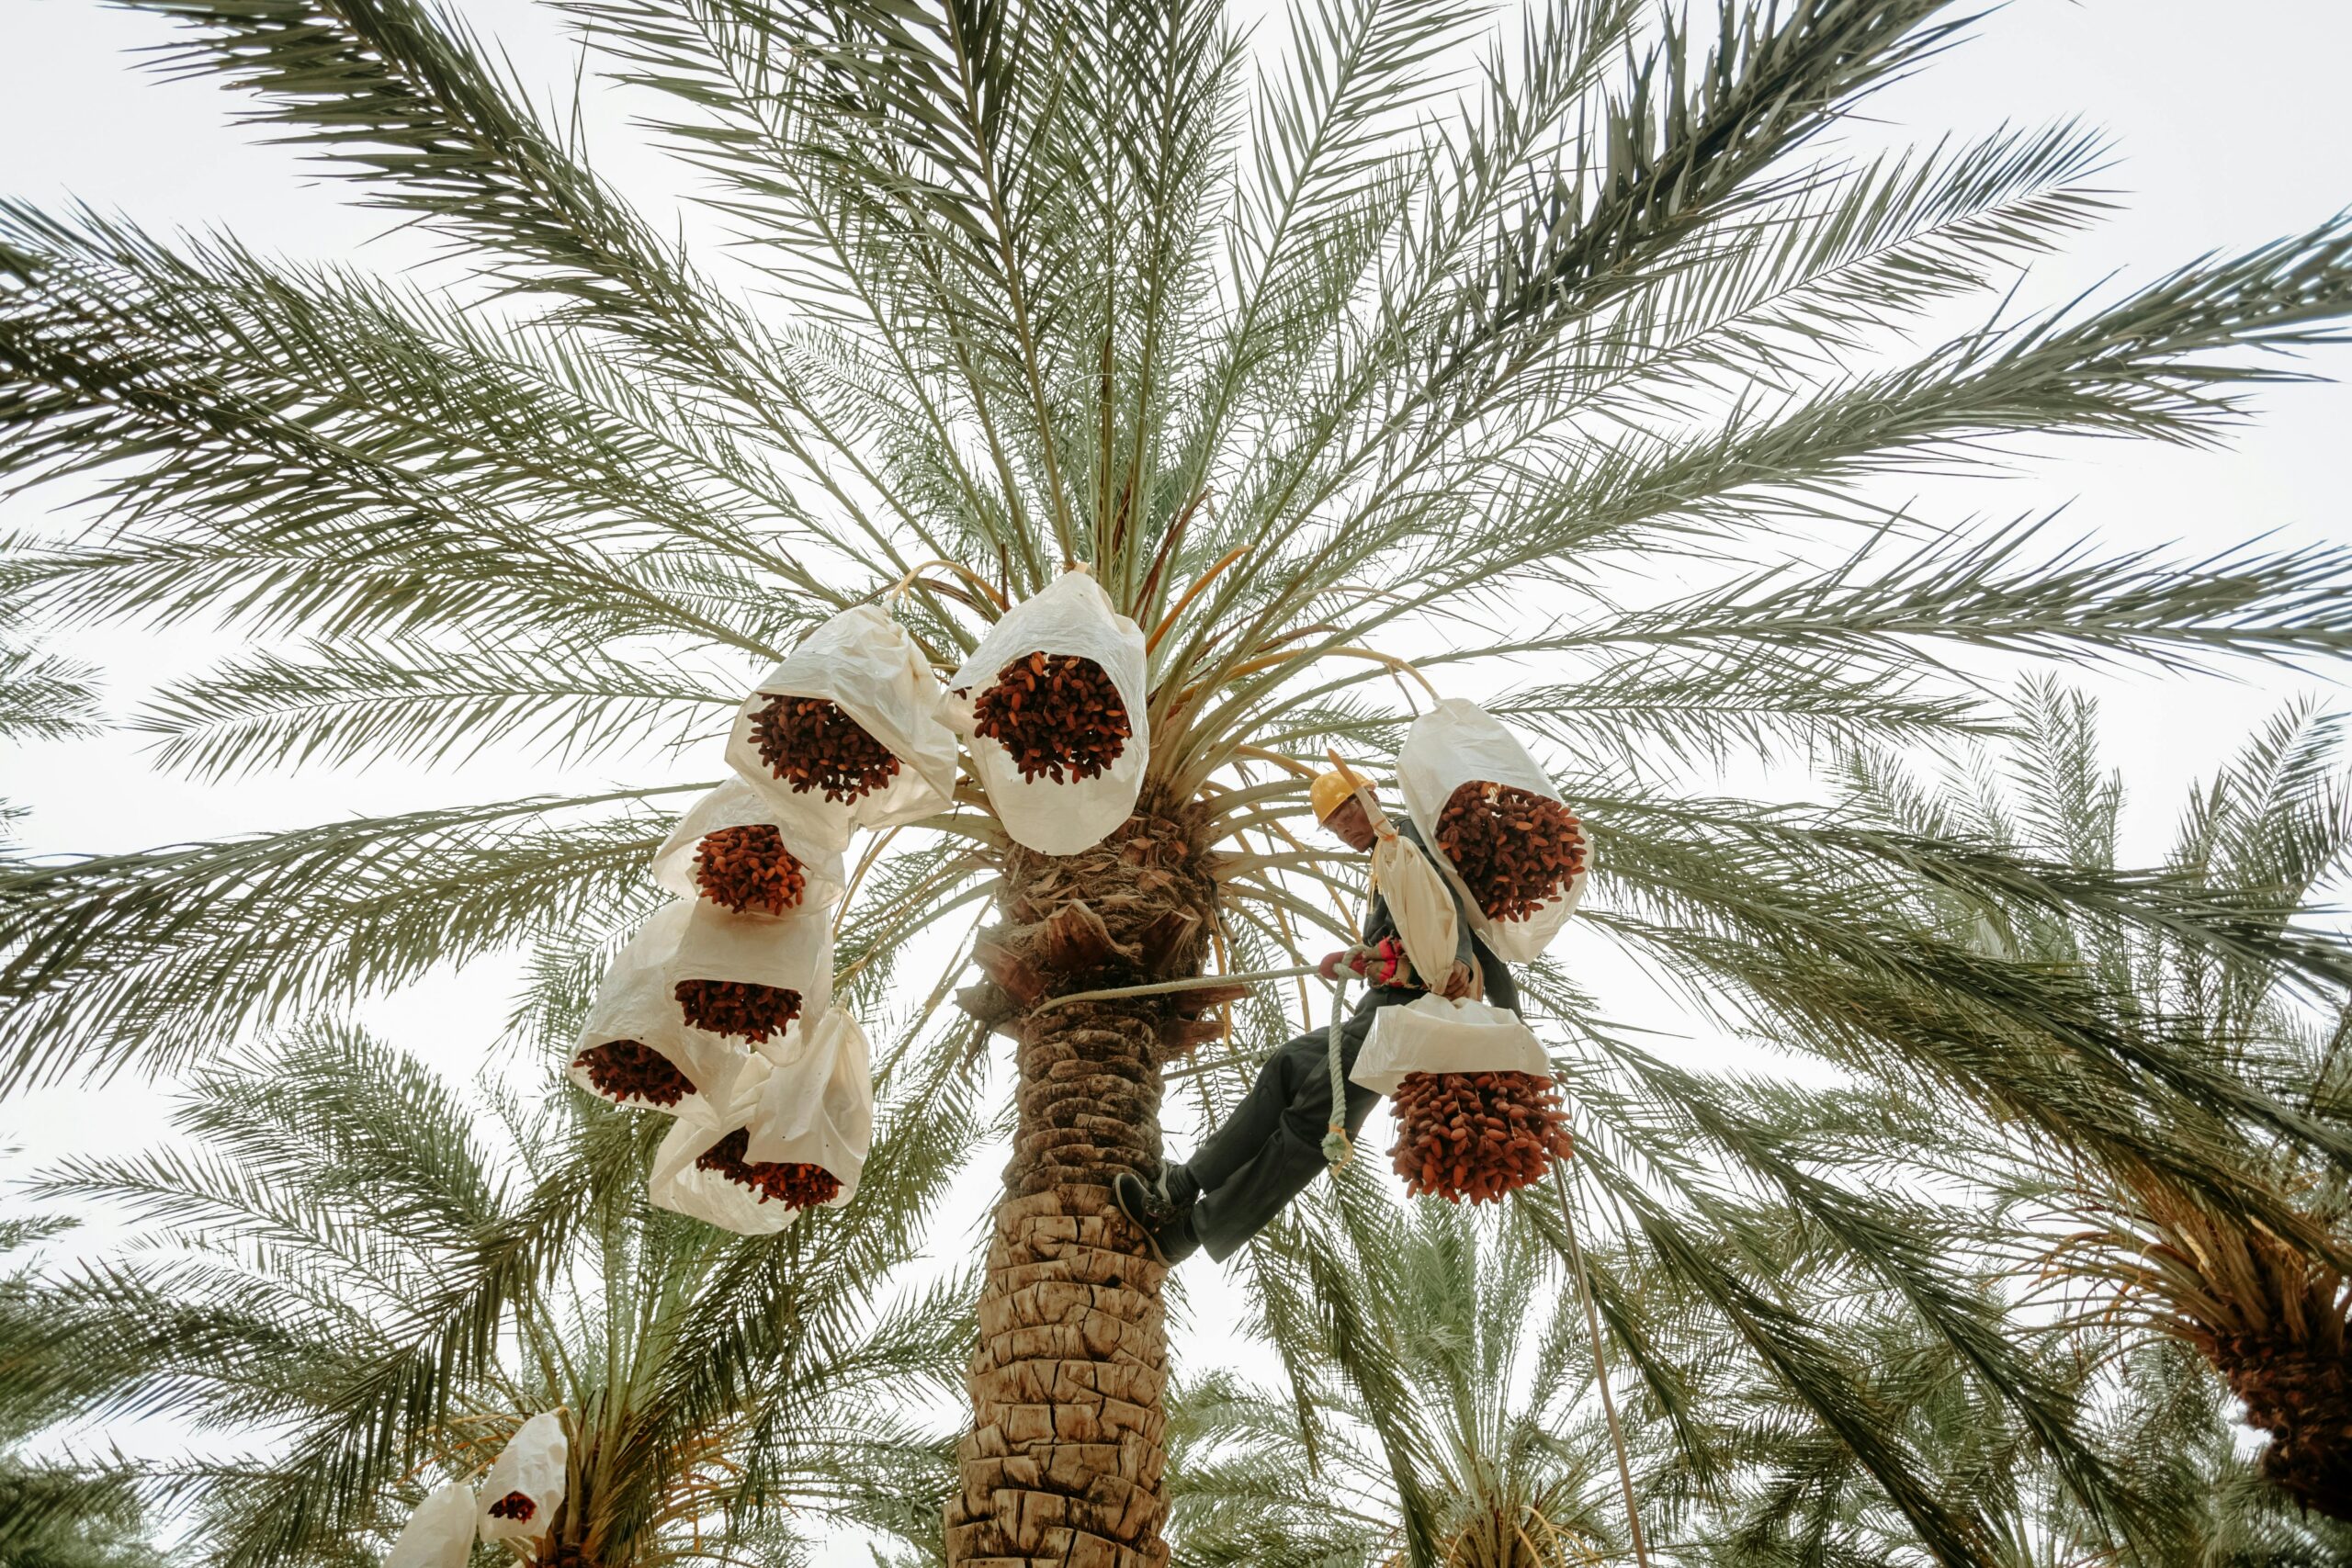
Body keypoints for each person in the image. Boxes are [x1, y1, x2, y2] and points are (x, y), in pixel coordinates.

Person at [1114, 761, 1521, 1265]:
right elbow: (1405, 938)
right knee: (1288, 1066)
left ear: (1369, 796)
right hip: (1381, 1010)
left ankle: (1184, 1235)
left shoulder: (1405, 841)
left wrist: (1476, 980)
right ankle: (1181, 1185)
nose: (1345, 828)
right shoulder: (1381, 864)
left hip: (1408, 1017)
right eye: (1333, 825)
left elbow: (1448, 907)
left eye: (1348, 812)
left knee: (1313, 1125)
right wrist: (1363, 954)